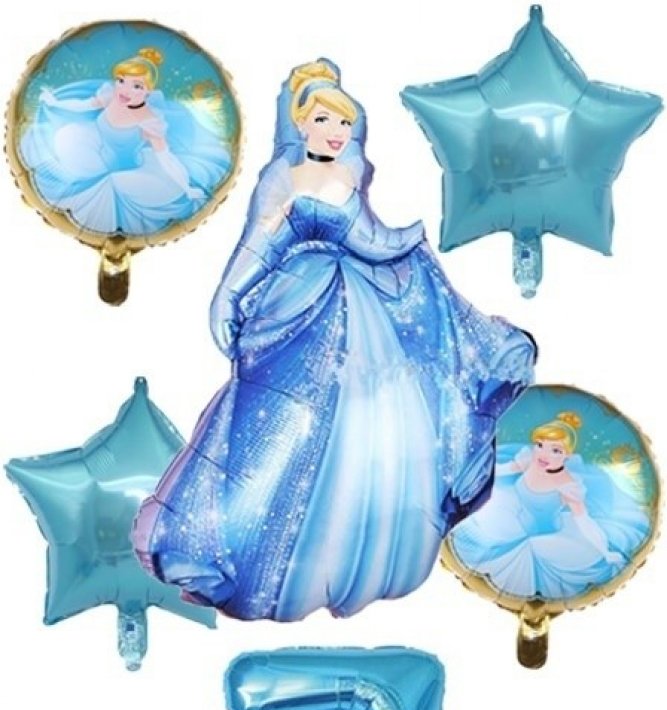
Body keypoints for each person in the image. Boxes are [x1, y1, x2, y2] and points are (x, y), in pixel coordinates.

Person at [133, 59, 537, 621]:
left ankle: (333, 552)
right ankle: (229, 546)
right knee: (275, 431)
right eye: (324, 120)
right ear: (301, 123)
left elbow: (369, 239)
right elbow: (259, 245)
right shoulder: (283, 178)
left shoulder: (347, 174)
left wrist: (406, 241)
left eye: (344, 123)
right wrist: (227, 294)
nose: (336, 132)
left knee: (362, 426)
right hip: (297, 309)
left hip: (352, 309)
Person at [20, 47, 231, 236]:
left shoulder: (149, 121)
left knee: (112, 186)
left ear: (148, 91)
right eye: (121, 81)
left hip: (127, 167)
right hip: (95, 153)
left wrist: (186, 187)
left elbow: (166, 159)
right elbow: (83, 105)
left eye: (137, 86)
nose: (125, 90)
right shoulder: (110, 97)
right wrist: (55, 102)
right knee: (67, 136)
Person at [449, 411, 651, 600]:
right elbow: (499, 470)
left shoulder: (568, 486)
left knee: (527, 553)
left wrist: (605, 551)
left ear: (567, 455)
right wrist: (469, 474)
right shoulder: (529, 461)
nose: (544, 454)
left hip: (545, 532)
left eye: (555, 450)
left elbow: (584, 522)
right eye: (540, 445)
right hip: (515, 518)